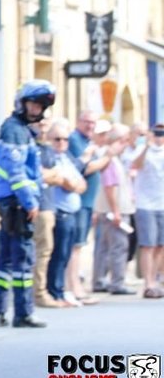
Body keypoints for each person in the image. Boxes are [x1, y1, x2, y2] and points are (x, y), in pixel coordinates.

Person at [0, 80, 56, 328]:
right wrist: (30, 203)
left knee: (6, 261)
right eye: (34, 104)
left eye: (40, 106)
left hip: (11, 202)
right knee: (23, 261)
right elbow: (17, 173)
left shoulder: (17, 129)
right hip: (18, 203)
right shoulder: (15, 131)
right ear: (22, 103)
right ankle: (23, 312)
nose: (37, 110)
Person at [67, 111, 112, 303]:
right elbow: (84, 168)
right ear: (78, 121)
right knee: (75, 245)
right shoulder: (75, 140)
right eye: (86, 122)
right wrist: (106, 159)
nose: (90, 126)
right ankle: (74, 288)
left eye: (93, 123)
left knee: (79, 245)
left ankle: (75, 286)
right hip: (79, 200)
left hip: (87, 202)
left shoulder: (87, 142)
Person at [45, 119, 87, 309]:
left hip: (71, 212)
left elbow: (80, 183)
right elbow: (64, 182)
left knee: (65, 254)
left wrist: (73, 184)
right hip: (59, 212)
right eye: (57, 139)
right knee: (58, 254)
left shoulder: (66, 158)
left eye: (65, 139)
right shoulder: (48, 157)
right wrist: (70, 183)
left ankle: (60, 290)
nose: (61, 143)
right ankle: (54, 291)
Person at [92, 124, 135, 295]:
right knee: (119, 247)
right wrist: (116, 210)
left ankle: (99, 280)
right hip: (114, 211)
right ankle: (117, 282)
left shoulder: (108, 158)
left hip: (107, 210)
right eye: (124, 141)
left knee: (103, 247)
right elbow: (110, 186)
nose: (126, 145)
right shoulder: (109, 159)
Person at [30, 117, 63, 309]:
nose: (43, 128)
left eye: (45, 124)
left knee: (45, 251)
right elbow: (36, 174)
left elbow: (57, 175)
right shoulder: (31, 146)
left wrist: (50, 175)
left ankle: (39, 291)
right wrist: (50, 175)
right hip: (38, 205)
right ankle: (38, 293)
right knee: (41, 251)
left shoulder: (48, 148)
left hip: (49, 204)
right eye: (39, 124)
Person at [131, 123, 164, 298]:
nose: (159, 136)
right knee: (148, 245)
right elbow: (136, 165)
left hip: (162, 204)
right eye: (156, 133)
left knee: (160, 245)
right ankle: (148, 283)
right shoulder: (142, 149)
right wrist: (146, 145)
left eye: (162, 133)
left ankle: (156, 280)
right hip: (145, 204)